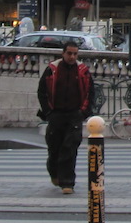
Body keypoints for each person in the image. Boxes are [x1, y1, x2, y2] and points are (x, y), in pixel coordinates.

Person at [36, 41, 95, 195]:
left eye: (75, 54)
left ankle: (67, 182)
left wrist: (83, 113)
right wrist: (48, 111)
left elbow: (90, 92)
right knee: (54, 149)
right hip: (56, 114)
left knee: (70, 148)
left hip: (74, 114)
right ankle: (54, 173)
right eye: (69, 53)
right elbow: (42, 91)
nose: (72, 56)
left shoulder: (82, 71)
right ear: (63, 53)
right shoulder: (52, 69)